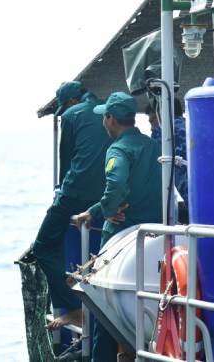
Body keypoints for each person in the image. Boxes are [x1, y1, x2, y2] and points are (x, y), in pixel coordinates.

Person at [75, 92, 163, 362]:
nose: (103, 121)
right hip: (156, 238)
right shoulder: (153, 147)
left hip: (121, 239)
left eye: (104, 116)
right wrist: (95, 210)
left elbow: (116, 185)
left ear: (111, 119)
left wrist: (109, 210)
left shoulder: (118, 150)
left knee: (104, 309)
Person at [35, 81, 112, 330]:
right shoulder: (109, 109)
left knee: (43, 247)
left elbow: (66, 160)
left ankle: (74, 309)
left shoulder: (70, 115)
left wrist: (61, 193)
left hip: (76, 194)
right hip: (106, 196)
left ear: (70, 102)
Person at [146, 97, 188, 223]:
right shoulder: (194, 125)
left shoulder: (162, 132)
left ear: (161, 114)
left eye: (153, 120)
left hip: (191, 193)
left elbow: (151, 169)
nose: (151, 127)